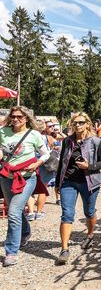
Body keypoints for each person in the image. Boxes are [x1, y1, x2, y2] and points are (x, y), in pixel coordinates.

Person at [0, 106, 50, 267]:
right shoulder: (3, 132)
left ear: (26, 118)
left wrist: (37, 163)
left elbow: (46, 153)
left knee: (13, 213)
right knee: (16, 210)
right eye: (13, 116)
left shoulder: (34, 135)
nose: (15, 119)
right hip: (6, 176)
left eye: (19, 117)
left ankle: (11, 252)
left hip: (27, 178)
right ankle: (26, 232)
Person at [54, 112, 101, 265]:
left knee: (89, 212)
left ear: (87, 124)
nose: (77, 125)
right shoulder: (67, 141)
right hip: (68, 182)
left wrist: (89, 166)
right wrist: (58, 183)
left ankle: (90, 235)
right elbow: (61, 163)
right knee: (67, 214)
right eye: (75, 123)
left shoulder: (95, 141)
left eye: (81, 122)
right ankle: (64, 249)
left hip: (89, 182)